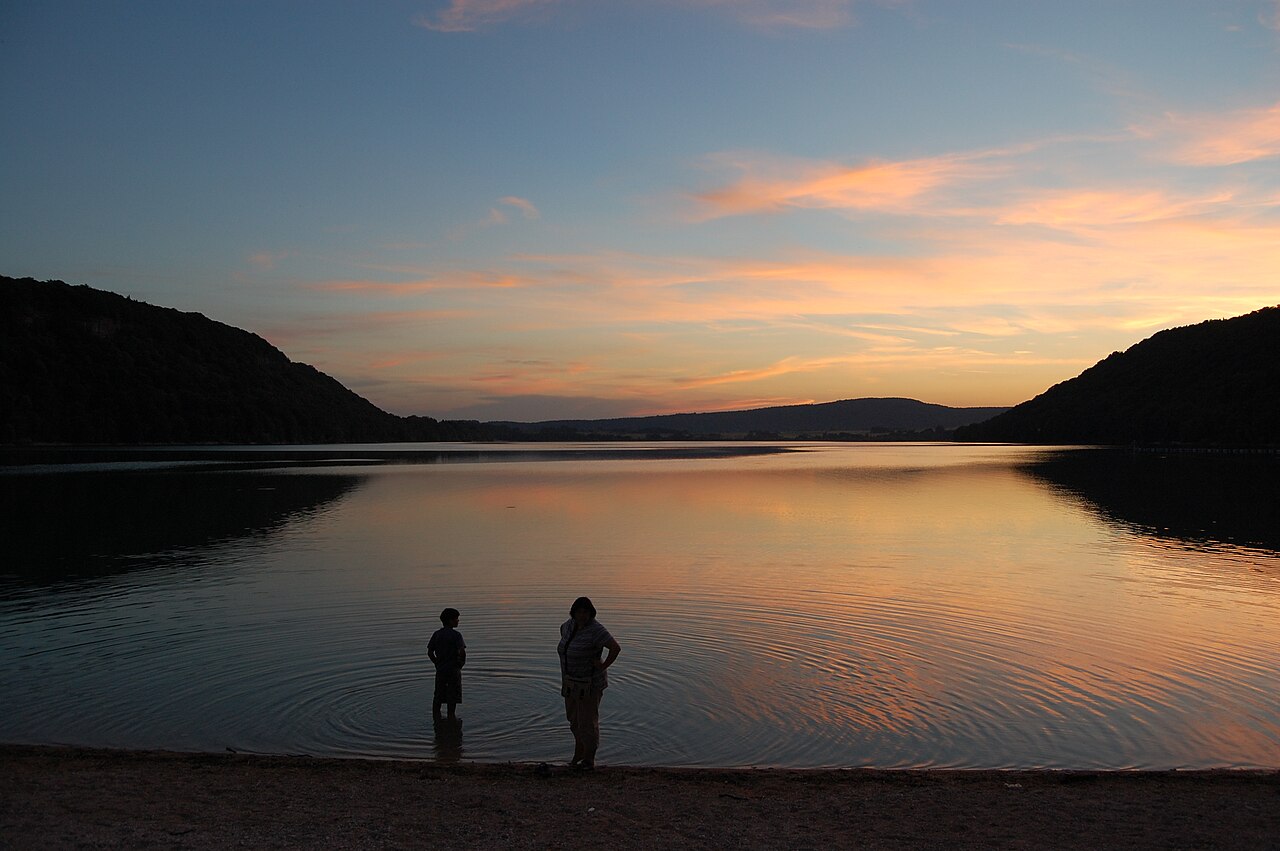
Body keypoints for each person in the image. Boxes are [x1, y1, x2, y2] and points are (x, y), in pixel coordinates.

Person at [557, 596, 621, 769]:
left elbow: (615, 648)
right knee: (574, 721)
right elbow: (562, 635)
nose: (583, 615)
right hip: (570, 682)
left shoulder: (596, 630)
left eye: (586, 612)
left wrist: (602, 665)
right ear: (574, 612)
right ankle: (579, 753)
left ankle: (589, 760)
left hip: (589, 685)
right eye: (579, 612)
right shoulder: (568, 626)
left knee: (587, 722)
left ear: (591, 613)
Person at [428, 607, 466, 720]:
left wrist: (436, 663)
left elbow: (430, 652)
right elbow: (462, 651)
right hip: (453, 670)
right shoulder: (456, 635)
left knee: (438, 695)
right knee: (452, 696)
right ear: (450, 620)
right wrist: (461, 664)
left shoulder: (437, 634)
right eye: (456, 619)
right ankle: (451, 718)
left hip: (441, 670)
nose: (458, 621)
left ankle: (436, 718)